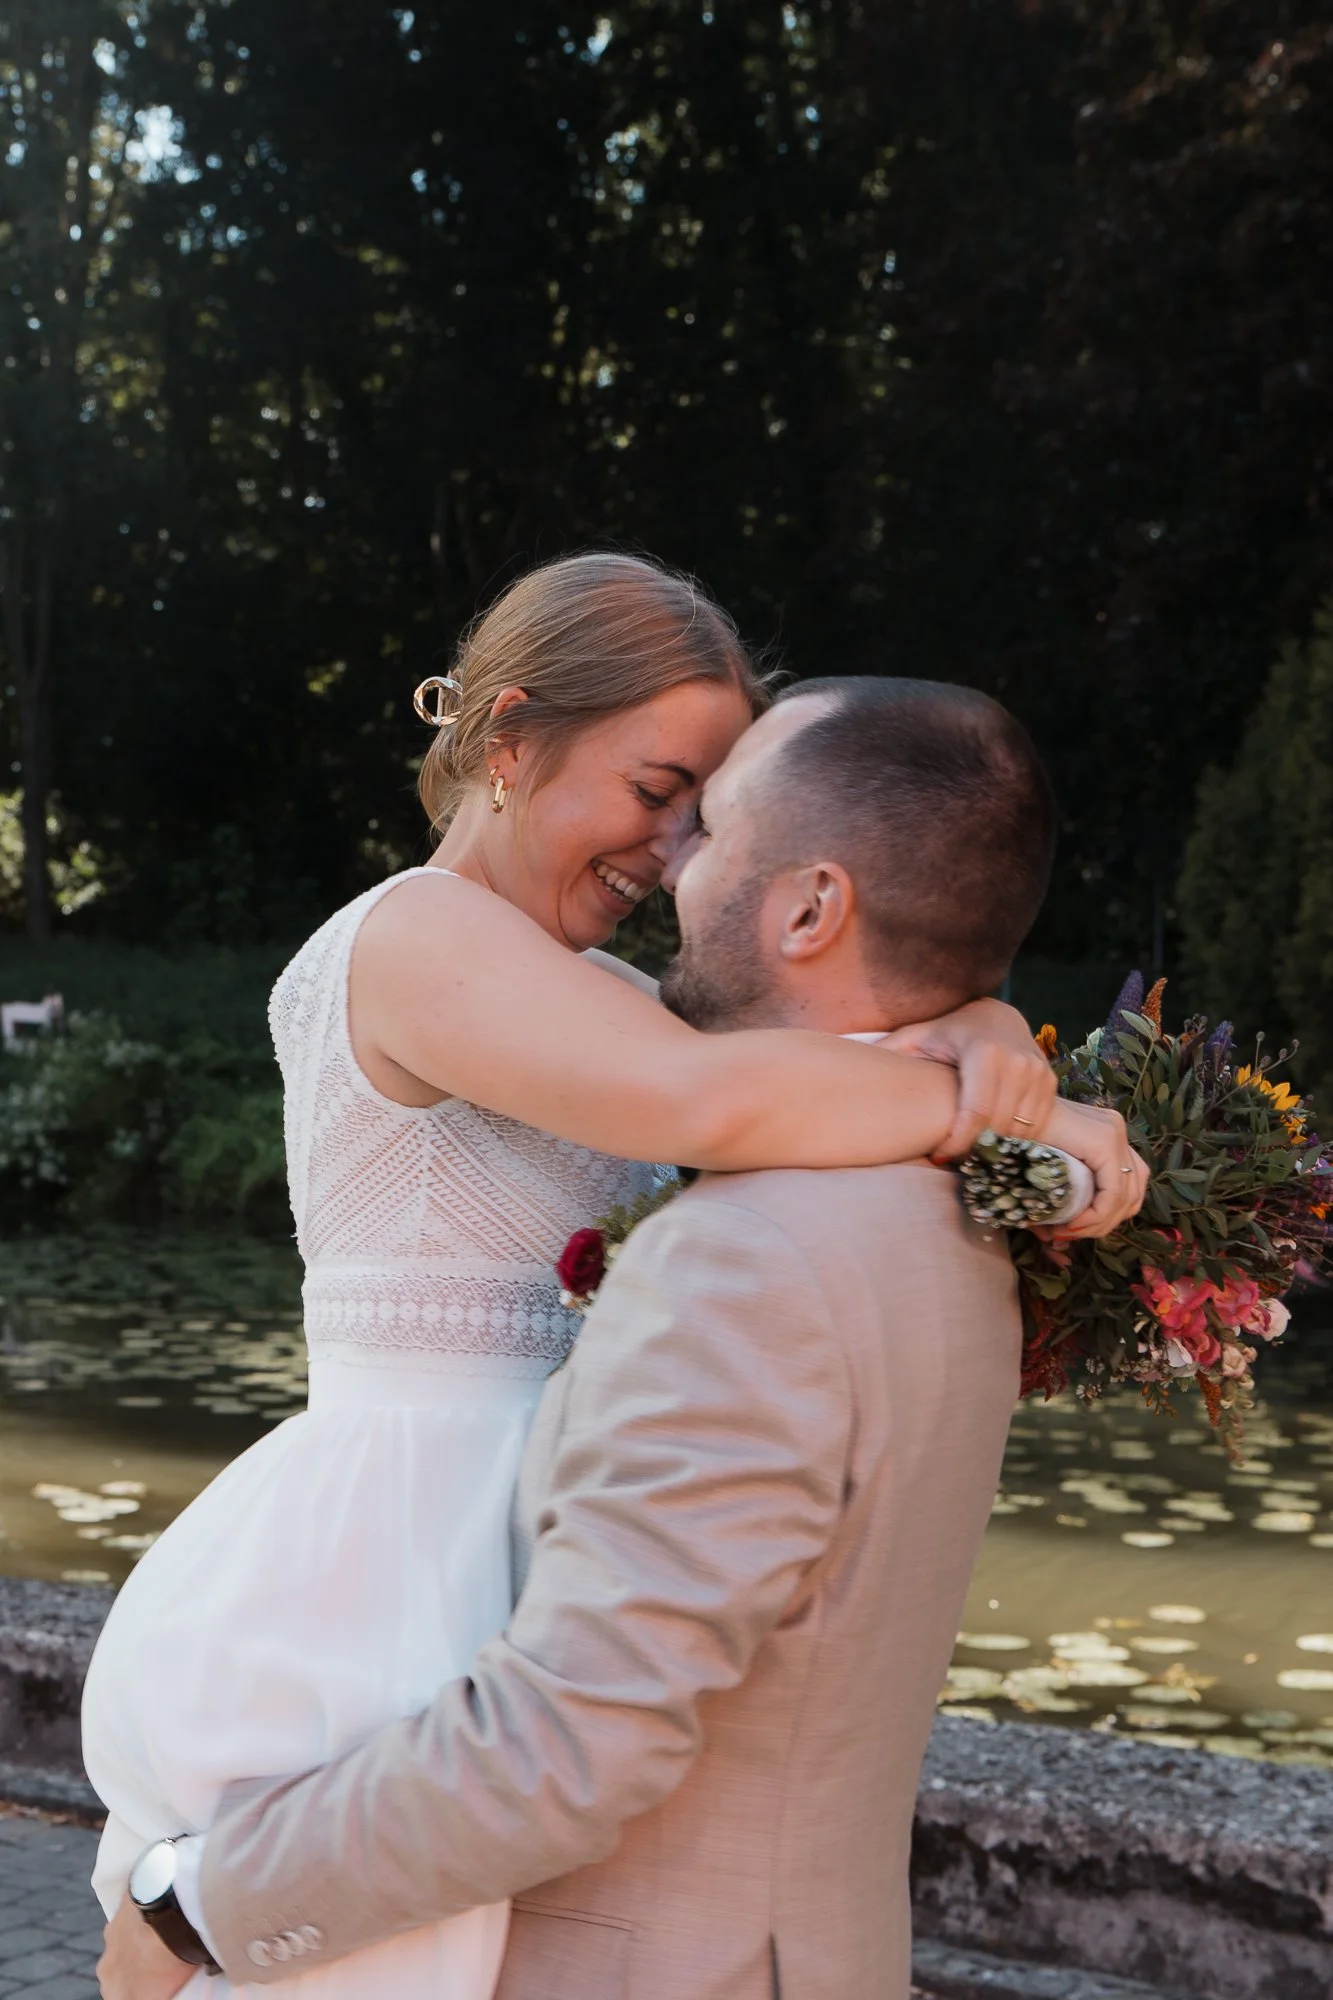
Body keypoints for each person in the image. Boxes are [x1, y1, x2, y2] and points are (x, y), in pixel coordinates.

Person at [89, 561, 1142, 2000]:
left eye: (706, 810)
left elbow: (818, 1038)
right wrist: (999, 1101)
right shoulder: (417, 934)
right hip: (400, 1536)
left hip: (533, 1520)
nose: (676, 845)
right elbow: (714, 1106)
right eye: (660, 788)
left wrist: (977, 1014)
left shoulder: (622, 1005)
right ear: (512, 740)